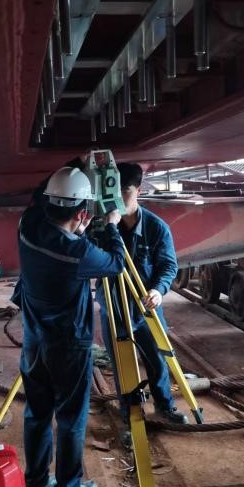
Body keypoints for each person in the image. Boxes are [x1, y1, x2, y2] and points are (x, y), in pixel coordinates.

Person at [12, 163, 124, 487]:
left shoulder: (27, 226)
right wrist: (112, 225)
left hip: (34, 340)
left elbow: (38, 202)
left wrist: (78, 224)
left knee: (37, 414)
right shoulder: (80, 254)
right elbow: (116, 263)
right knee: (71, 419)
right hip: (69, 346)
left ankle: (35, 486)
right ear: (81, 213)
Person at [96, 162, 188, 447]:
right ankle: (131, 417)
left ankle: (164, 405)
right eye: (114, 191)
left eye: (125, 190)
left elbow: (168, 266)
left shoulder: (156, 228)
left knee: (158, 358)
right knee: (123, 365)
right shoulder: (103, 228)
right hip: (115, 307)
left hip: (147, 306)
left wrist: (159, 290)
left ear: (139, 189)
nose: (119, 198)